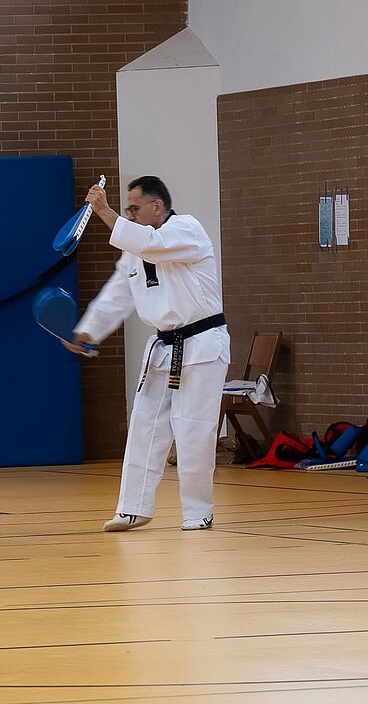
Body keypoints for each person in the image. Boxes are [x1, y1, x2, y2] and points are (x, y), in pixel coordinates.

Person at [69, 176, 229, 531]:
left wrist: (105, 211)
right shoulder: (135, 251)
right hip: (162, 348)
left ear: (157, 206)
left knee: (193, 429)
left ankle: (198, 511)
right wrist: (88, 330)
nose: (129, 214)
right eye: (127, 209)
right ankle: (133, 507)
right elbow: (117, 295)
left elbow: (151, 245)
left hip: (202, 344)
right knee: (144, 426)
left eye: (134, 208)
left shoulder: (186, 230)